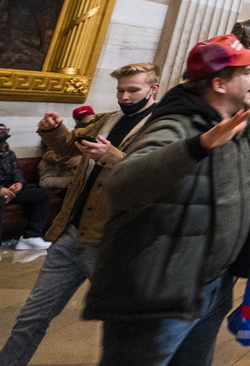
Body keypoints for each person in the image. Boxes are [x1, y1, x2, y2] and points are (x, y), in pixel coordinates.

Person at [83, 35, 250, 366]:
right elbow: (124, 185)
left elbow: (226, 187)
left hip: (209, 284)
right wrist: (199, 145)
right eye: (247, 71)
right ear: (219, 83)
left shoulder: (229, 126)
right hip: (159, 291)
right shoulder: (176, 124)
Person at [0, 63, 161, 366]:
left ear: (153, 89)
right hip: (71, 234)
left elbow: (152, 174)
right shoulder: (107, 120)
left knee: (123, 329)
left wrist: (112, 157)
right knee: (31, 318)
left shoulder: (162, 126)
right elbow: (67, 147)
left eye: (133, 90)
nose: (124, 97)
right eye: (120, 90)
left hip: (112, 242)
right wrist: (53, 129)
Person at [0, 125, 51, 250]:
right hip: (1, 192)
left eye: (4, 131)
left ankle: (31, 237)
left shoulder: (9, 154)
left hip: (11, 190)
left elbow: (17, 172)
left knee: (43, 194)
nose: (3, 133)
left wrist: (19, 183)